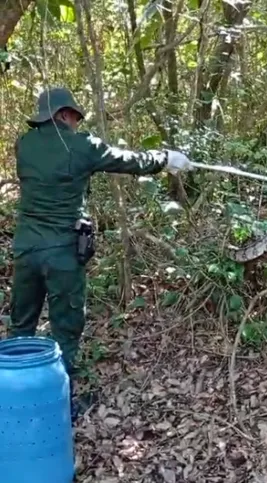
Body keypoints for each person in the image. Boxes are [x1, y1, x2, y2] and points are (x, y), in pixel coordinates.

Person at [8, 87, 192, 419]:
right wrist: (165, 159)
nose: (76, 124)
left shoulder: (23, 145)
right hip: (62, 252)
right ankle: (57, 405)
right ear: (64, 114)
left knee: (22, 326)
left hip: (26, 250)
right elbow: (128, 160)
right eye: (75, 118)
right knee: (65, 328)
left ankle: (12, 399)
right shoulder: (82, 146)